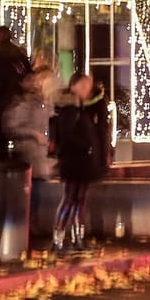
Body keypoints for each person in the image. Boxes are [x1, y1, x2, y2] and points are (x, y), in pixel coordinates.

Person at [51, 71, 109, 253]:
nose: (86, 90)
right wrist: (86, 146)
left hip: (81, 162)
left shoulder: (78, 108)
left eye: (88, 86)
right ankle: (58, 240)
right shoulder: (70, 108)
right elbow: (67, 134)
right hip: (74, 161)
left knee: (79, 200)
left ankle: (78, 239)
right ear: (73, 86)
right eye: (83, 86)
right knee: (70, 199)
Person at [0, 25, 32, 158]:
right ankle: (21, 159)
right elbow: (28, 72)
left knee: (1, 132)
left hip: (2, 95)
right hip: (18, 94)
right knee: (20, 129)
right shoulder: (18, 54)